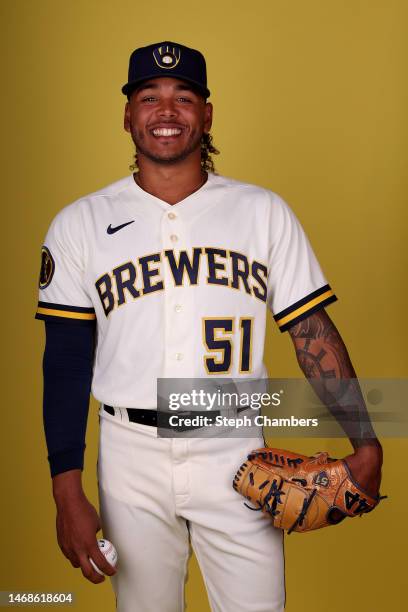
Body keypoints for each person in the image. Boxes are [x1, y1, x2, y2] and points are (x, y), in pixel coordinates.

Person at [36, 41, 383, 612]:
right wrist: (65, 488)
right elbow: (67, 361)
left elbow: (310, 333)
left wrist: (366, 442)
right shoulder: (80, 224)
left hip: (235, 450)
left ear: (208, 113)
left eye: (184, 97)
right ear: (128, 115)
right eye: (149, 97)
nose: (166, 111)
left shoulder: (262, 211)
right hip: (130, 457)